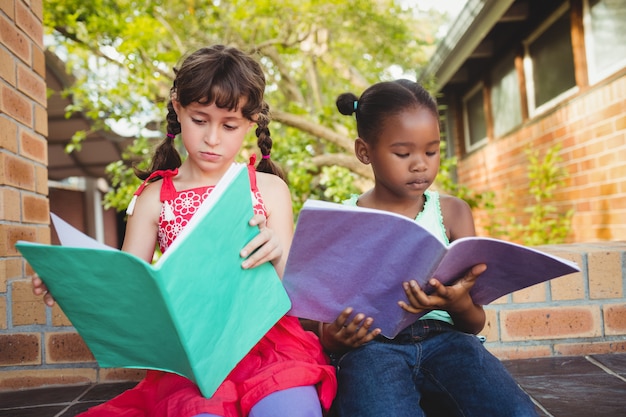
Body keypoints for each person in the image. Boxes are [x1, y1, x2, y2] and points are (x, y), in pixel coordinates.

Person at [32, 44, 336, 417]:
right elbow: (128, 289)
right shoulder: (154, 197)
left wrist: (277, 253)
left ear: (251, 122)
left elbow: (296, 294)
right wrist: (71, 285)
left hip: (268, 346)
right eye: (200, 120)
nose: (212, 138)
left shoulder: (268, 189)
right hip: (193, 357)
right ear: (178, 109)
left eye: (229, 125)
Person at [309, 79, 539, 417]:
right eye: (403, 153)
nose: (421, 164)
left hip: (448, 341)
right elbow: (310, 314)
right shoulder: (340, 220)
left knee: (515, 410)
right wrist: (331, 338)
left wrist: (459, 303)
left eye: (431, 151)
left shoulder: (453, 212)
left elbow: (474, 324)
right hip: (371, 348)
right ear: (364, 151)